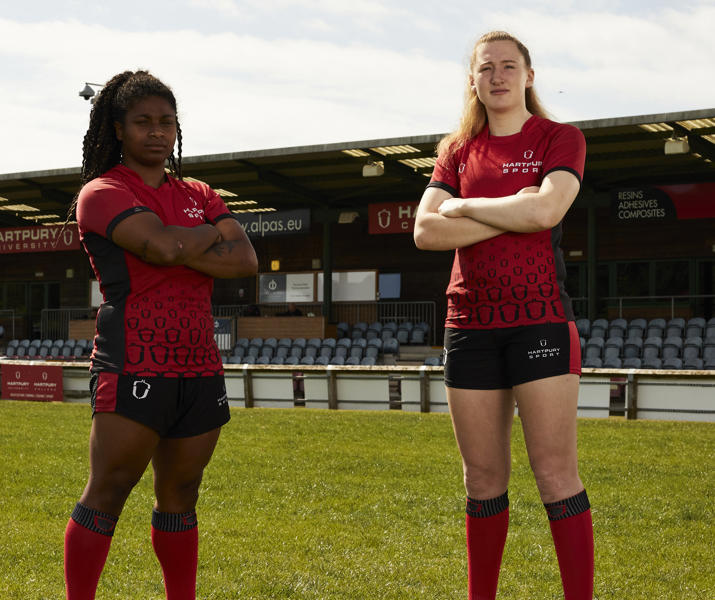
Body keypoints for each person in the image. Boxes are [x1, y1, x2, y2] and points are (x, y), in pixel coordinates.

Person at [63, 70, 258, 600]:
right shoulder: (101, 192)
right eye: (143, 122)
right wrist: (207, 235)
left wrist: (181, 240)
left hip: (199, 362)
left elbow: (244, 260)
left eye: (166, 122)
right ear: (118, 129)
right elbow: (159, 249)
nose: (157, 132)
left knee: (181, 493)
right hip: (134, 359)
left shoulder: (198, 191)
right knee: (108, 491)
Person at [414, 31, 592, 599]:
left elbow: (548, 208)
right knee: (483, 478)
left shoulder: (559, 138)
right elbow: (424, 230)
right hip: (468, 326)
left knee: (555, 475)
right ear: (473, 80)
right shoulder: (457, 150)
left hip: (539, 319)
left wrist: (464, 206)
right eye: (486, 68)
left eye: (509, 66)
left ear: (529, 76)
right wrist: (514, 211)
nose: (498, 76)